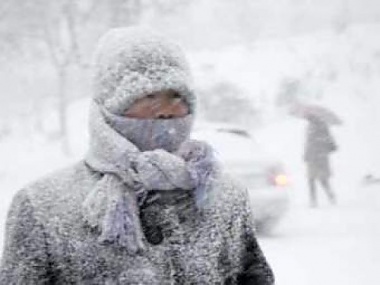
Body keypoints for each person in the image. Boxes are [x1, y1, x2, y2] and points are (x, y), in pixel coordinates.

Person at [0, 27, 274, 284]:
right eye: (148, 96)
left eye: (177, 96)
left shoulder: (225, 197)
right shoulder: (41, 207)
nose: (165, 110)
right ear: (110, 105)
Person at [304, 114, 338, 207]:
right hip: (319, 156)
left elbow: (309, 143)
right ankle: (327, 196)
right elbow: (308, 143)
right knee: (317, 179)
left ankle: (315, 200)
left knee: (314, 179)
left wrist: (307, 154)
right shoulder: (320, 127)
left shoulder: (318, 128)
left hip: (316, 156)